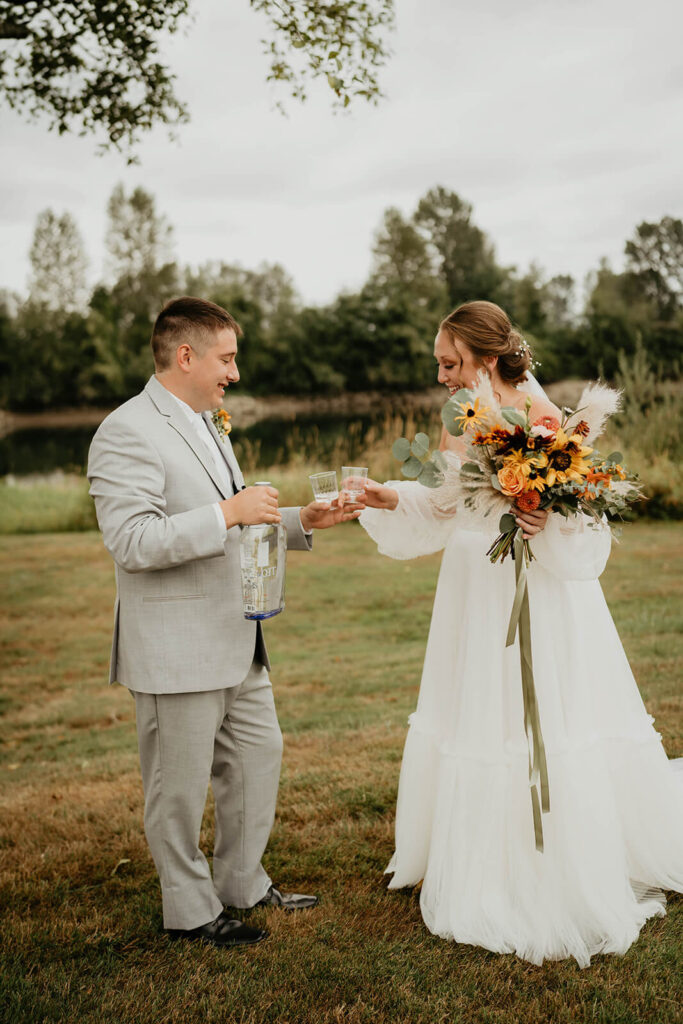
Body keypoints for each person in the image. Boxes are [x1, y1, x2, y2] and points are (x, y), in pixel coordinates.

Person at [356, 300, 683, 967]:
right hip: (471, 585)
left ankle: (548, 861)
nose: (444, 376)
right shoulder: (459, 416)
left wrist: (543, 518)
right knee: (474, 714)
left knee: (537, 720)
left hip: (525, 585)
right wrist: (386, 494)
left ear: (481, 355)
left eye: (450, 363)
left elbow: (574, 504)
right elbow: (449, 502)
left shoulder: (539, 414)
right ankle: (461, 854)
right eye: (440, 365)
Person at [88, 296, 359, 949]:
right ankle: (188, 912)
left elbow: (231, 519)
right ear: (185, 355)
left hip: (237, 635)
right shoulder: (126, 430)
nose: (234, 373)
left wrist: (300, 521)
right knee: (176, 788)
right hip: (176, 646)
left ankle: (241, 883)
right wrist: (231, 512)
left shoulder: (205, 421)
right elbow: (133, 541)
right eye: (227, 358)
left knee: (258, 758)